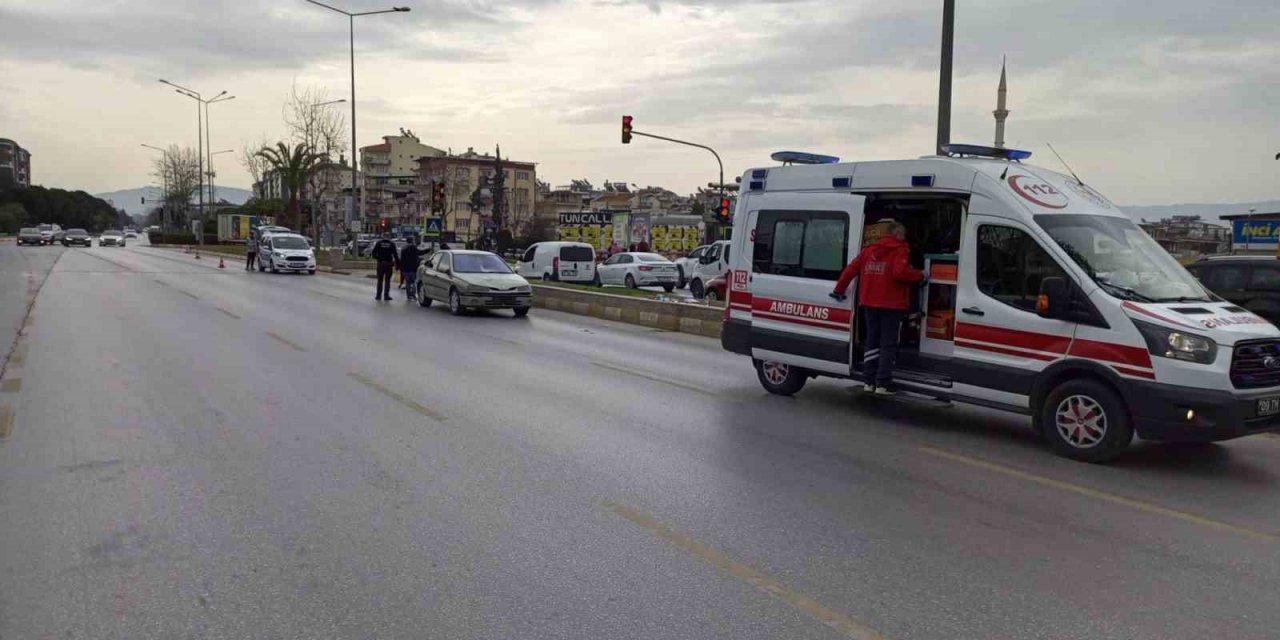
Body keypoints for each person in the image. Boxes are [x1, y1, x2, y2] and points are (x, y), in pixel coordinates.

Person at [830, 220, 925, 396]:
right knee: (888, 343)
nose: (904, 238)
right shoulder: (900, 249)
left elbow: (850, 270)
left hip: (869, 303)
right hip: (892, 305)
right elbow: (899, 272)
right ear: (897, 234)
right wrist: (920, 274)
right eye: (903, 235)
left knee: (871, 341)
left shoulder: (869, 250)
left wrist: (838, 290)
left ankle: (868, 381)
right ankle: (883, 384)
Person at [369, 232, 400, 301]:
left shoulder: (378, 243)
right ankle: (386, 296)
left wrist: (379, 259)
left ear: (383, 236)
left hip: (380, 264)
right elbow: (395, 255)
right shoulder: (392, 244)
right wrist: (397, 265)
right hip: (388, 264)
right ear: (389, 237)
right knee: (387, 280)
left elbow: (373, 253)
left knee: (380, 280)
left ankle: (378, 295)